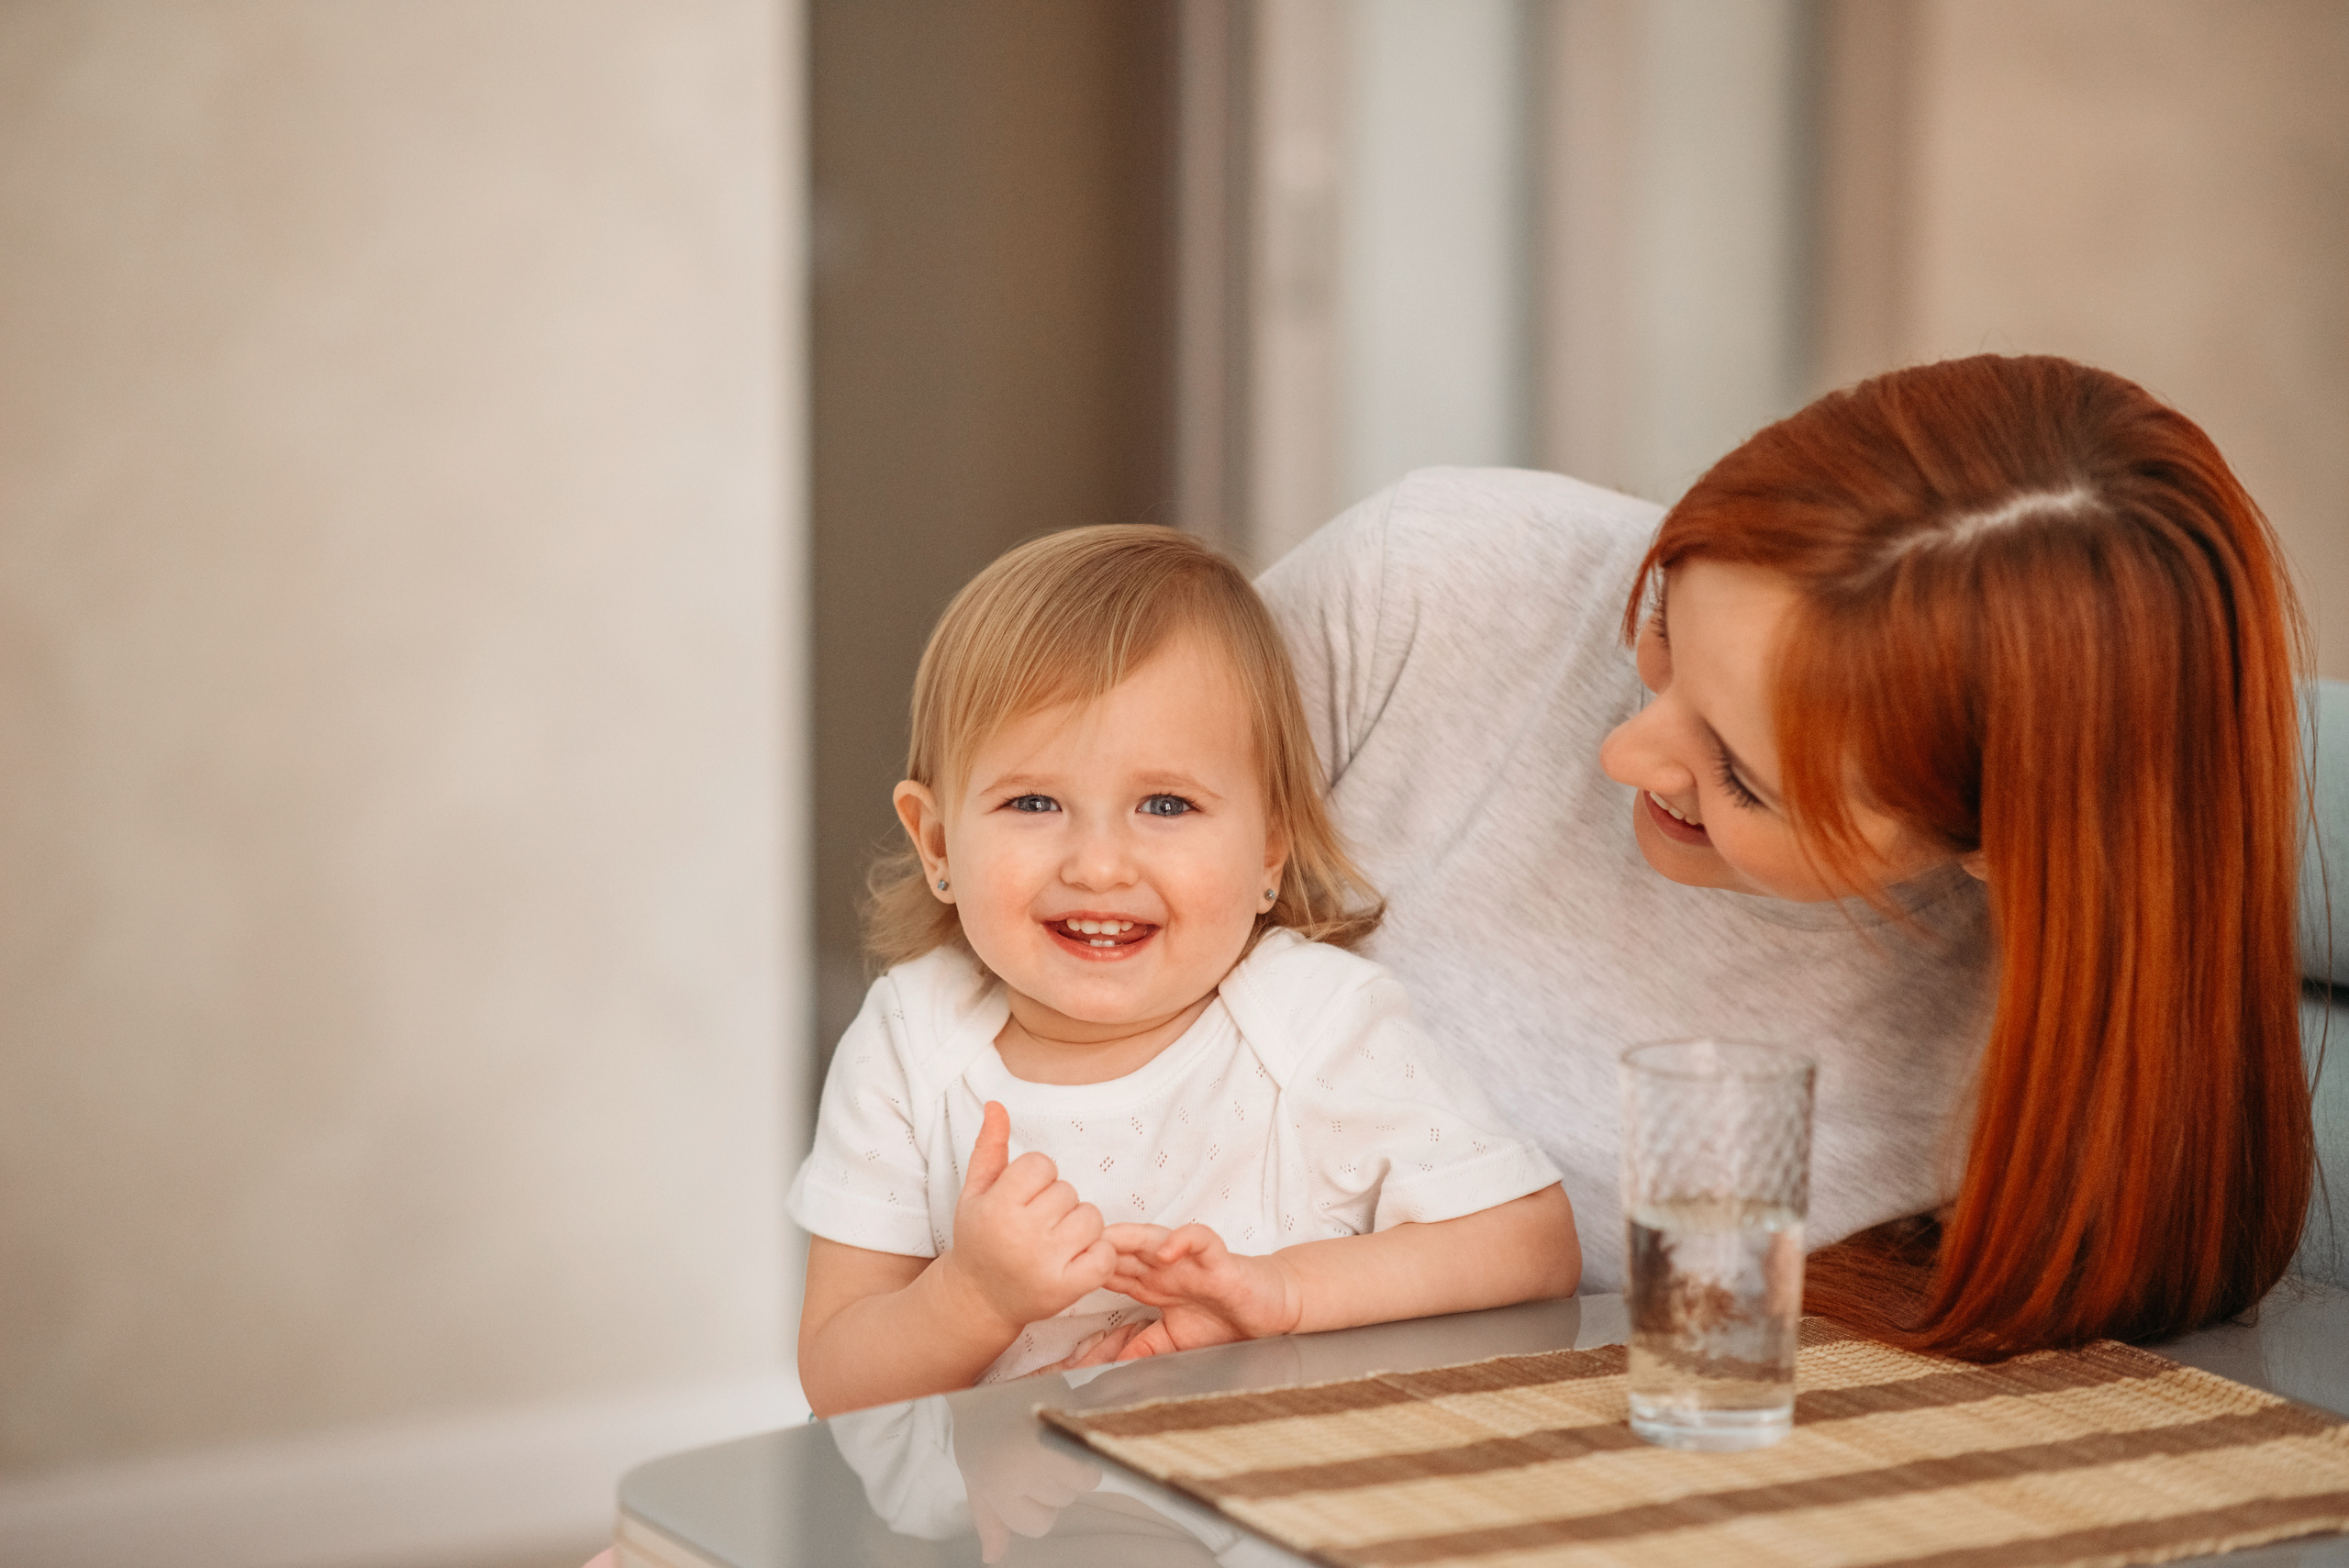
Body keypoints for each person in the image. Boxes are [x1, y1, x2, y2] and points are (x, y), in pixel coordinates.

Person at [1260, 352, 2314, 1360]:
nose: (1624, 752)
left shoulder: (2044, 1084)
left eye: (1744, 778)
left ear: (1997, 846)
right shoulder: (1424, 586)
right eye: (1666, 624)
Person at [787, 526, 1578, 1417]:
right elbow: (835, 1379)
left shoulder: (1312, 1022)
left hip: (1253, 1509)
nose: (1097, 864)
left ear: (1269, 844)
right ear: (936, 840)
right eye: (1033, 801)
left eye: (1165, 803)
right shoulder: (911, 1038)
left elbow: (1532, 1243)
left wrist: (1281, 1291)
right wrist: (969, 1296)